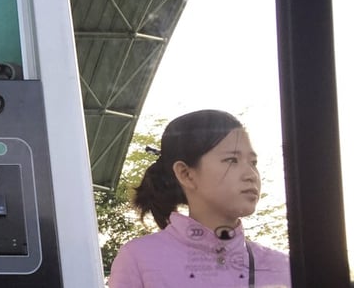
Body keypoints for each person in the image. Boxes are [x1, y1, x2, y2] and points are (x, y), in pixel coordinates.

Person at [108, 110, 291, 287]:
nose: (251, 174)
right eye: (231, 160)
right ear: (186, 174)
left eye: (253, 163)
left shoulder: (283, 268)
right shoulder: (139, 259)